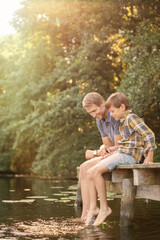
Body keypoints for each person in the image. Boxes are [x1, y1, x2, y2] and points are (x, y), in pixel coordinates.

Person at [85, 92, 157, 226]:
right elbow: (126, 144)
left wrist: (149, 156)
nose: (111, 114)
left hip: (128, 157)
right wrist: (109, 151)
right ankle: (94, 208)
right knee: (89, 173)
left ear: (122, 107)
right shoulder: (123, 122)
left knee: (94, 172)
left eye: (112, 111)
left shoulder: (131, 118)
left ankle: (105, 208)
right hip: (122, 153)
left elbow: (149, 135)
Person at [79, 92, 121, 221]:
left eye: (94, 111)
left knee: (88, 166)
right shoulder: (99, 120)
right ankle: (86, 212)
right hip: (112, 153)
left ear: (102, 104)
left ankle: (89, 212)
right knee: (83, 167)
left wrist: (97, 153)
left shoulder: (114, 116)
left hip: (122, 153)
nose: (93, 115)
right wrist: (101, 151)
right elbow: (107, 145)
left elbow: (119, 146)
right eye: (90, 113)